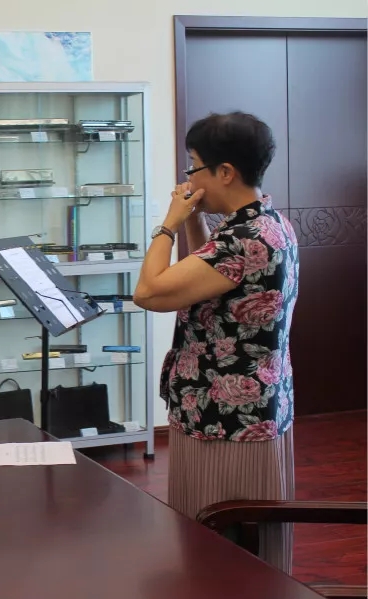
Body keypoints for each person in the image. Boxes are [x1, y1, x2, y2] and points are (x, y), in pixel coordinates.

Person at [133, 112, 299, 573]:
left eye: (194, 165)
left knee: (219, 538)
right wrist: (194, 222)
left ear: (225, 172)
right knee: (242, 536)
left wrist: (168, 224)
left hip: (224, 416)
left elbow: (148, 292)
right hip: (257, 404)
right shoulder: (268, 222)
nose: (189, 178)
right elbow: (210, 272)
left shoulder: (241, 241)